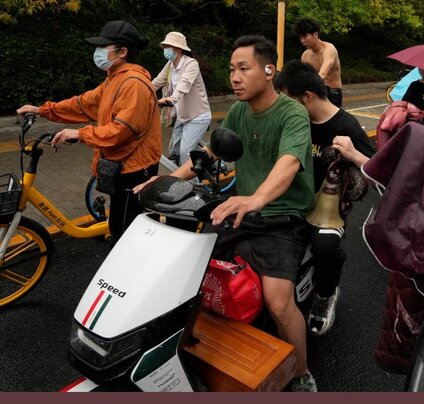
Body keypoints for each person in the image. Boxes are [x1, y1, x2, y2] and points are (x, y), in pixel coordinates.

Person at [134, 35, 317, 392]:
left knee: (278, 301)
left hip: (282, 216)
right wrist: (165, 181)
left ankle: (302, 373)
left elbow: (289, 162)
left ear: (268, 71)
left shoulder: (291, 113)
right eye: (232, 69)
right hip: (240, 208)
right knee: (190, 267)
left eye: (243, 68)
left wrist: (256, 198)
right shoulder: (237, 111)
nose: (234, 76)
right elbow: (209, 155)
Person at [16, 20, 161, 241]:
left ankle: (130, 270)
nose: (98, 52)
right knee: (119, 223)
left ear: (122, 52)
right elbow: (83, 104)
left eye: (104, 47)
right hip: (123, 165)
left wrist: (80, 134)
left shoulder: (134, 84)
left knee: (127, 230)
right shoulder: (114, 79)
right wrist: (42, 110)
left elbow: (122, 131)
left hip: (135, 169)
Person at [274, 60, 375, 336]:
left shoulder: (346, 126)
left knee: (324, 245)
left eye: (288, 100)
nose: (283, 106)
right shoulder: (296, 120)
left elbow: (380, 168)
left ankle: (326, 293)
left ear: (306, 97)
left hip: (328, 206)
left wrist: (354, 155)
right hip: (294, 199)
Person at [152, 31, 212, 167]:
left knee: (186, 152)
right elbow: (157, 82)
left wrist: (171, 99)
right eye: (165, 45)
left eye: (168, 46)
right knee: (174, 151)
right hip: (182, 115)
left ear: (178, 48)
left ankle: (196, 185)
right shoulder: (170, 64)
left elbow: (184, 85)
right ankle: (202, 161)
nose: (166, 49)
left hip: (198, 116)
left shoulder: (191, 64)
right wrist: (140, 93)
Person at [293, 18, 343, 107]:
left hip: (332, 93)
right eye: (301, 37)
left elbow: (323, 73)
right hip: (315, 92)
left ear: (315, 34)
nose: (302, 40)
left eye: (305, 36)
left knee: (331, 120)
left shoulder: (329, 49)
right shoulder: (305, 55)